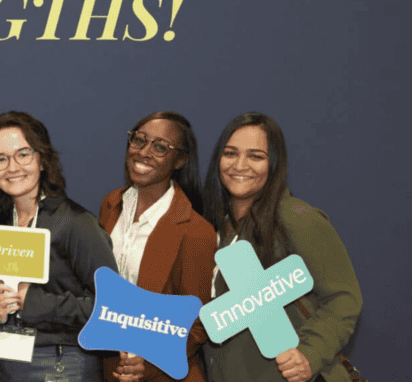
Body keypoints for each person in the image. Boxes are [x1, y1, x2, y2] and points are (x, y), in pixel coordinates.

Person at [202, 113, 362, 382]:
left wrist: (309, 355)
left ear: (274, 164)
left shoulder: (296, 218)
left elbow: (344, 299)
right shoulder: (217, 228)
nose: (240, 165)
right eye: (230, 153)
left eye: (255, 156)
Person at [0, 112, 116, 382]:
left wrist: (38, 303)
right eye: (1, 159)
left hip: (62, 364)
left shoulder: (75, 223)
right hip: (7, 364)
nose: (12, 167)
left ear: (42, 159)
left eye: (23, 154)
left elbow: (112, 307)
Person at [97, 111, 216, 382]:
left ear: (180, 160)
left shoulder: (196, 231)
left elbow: (198, 324)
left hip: (164, 375)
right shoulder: (111, 205)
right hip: (111, 369)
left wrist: (148, 364)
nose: (144, 152)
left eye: (161, 147)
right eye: (139, 140)